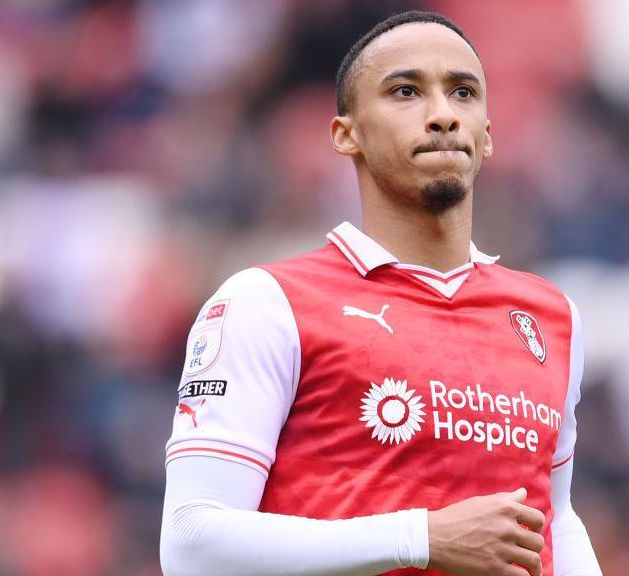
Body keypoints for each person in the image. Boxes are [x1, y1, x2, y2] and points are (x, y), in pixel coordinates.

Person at [160, 10, 603, 576]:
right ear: (347, 134)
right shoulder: (267, 302)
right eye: (405, 91)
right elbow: (192, 544)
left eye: (463, 92)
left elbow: (555, 518)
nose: (442, 115)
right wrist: (419, 536)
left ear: (487, 136)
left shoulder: (551, 317)